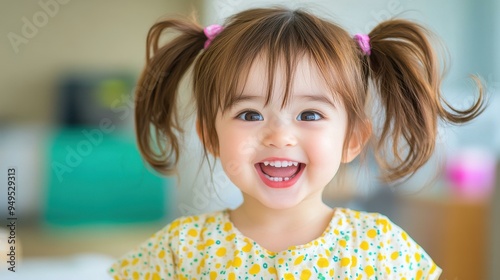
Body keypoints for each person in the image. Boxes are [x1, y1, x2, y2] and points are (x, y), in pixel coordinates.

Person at [109, 6, 484, 279]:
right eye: (250, 115)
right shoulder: (180, 251)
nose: (280, 137)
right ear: (210, 136)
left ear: (352, 139)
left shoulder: (381, 249)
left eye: (309, 115)